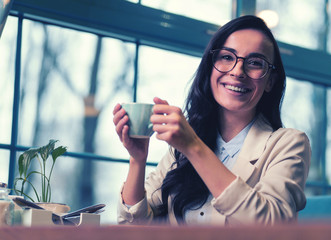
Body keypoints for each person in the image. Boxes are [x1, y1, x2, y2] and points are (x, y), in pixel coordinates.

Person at [113, 15, 311, 226]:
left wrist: (194, 147)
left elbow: (272, 225)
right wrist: (137, 159)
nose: (237, 71)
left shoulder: (289, 143)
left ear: (270, 81)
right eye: (227, 57)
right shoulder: (181, 148)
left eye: (254, 62)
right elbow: (133, 228)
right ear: (210, 68)